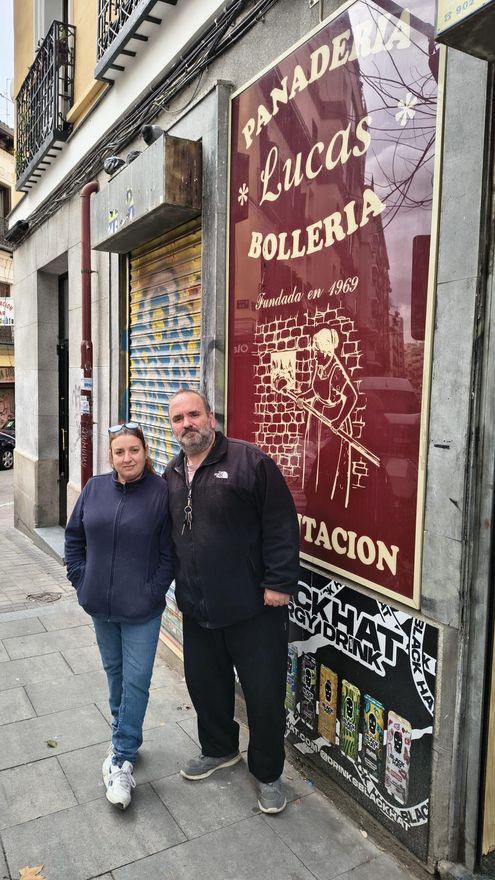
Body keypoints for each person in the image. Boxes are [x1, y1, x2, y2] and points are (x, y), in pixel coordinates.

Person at [164, 388, 300, 814]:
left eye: (193, 415)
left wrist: (278, 582)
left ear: (211, 417)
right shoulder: (172, 472)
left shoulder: (249, 462)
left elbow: (280, 524)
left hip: (253, 607)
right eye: (178, 419)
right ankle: (220, 748)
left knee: (263, 694)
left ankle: (268, 773)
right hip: (197, 606)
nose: (187, 424)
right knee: (206, 686)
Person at [64, 422, 174, 810]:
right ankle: (123, 739)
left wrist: (151, 591)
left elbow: (169, 554)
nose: (127, 458)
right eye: (119, 452)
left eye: (134, 450)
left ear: (146, 452)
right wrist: (81, 578)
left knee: (137, 680)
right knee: (115, 675)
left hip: (141, 609)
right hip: (100, 605)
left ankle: (122, 758)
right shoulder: (94, 488)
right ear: (110, 456)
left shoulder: (162, 493)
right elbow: (74, 536)